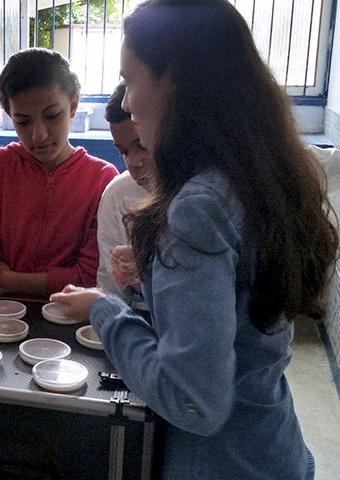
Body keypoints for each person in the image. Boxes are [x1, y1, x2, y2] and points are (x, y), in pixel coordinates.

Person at [51, 1, 338, 479]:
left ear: (175, 81)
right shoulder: (256, 177)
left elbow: (193, 400)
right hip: (274, 448)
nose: (126, 103)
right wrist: (154, 282)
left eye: (132, 79)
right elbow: (239, 313)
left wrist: (104, 310)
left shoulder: (197, 208)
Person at [0, 47, 119, 300]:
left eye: (52, 115)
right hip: (1, 316)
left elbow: (90, 275)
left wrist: (10, 280)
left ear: (73, 105)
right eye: (23, 121)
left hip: (70, 319)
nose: (38, 135)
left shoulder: (102, 179)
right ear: (9, 114)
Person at [96, 81, 152, 306]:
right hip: (135, 326)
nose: (133, 163)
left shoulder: (205, 199)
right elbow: (111, 291)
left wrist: (147, 275)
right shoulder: (118, 194)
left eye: (143, 145)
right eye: (123, 152)